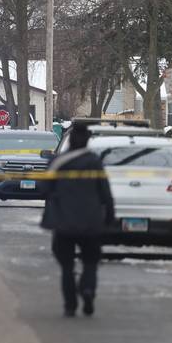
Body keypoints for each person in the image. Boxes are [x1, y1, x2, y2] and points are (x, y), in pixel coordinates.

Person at [40, 124, 114, 317]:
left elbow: (43, 189)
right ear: (87, 141)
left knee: (66, 265)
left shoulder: (58, 162)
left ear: (70, 140)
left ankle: (70, 304)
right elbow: (105, 192)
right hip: (90, 221)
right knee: (90, 261)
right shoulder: (95, 162)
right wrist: (110, 216)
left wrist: (57, 195)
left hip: (64, 221)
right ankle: (88, 289)